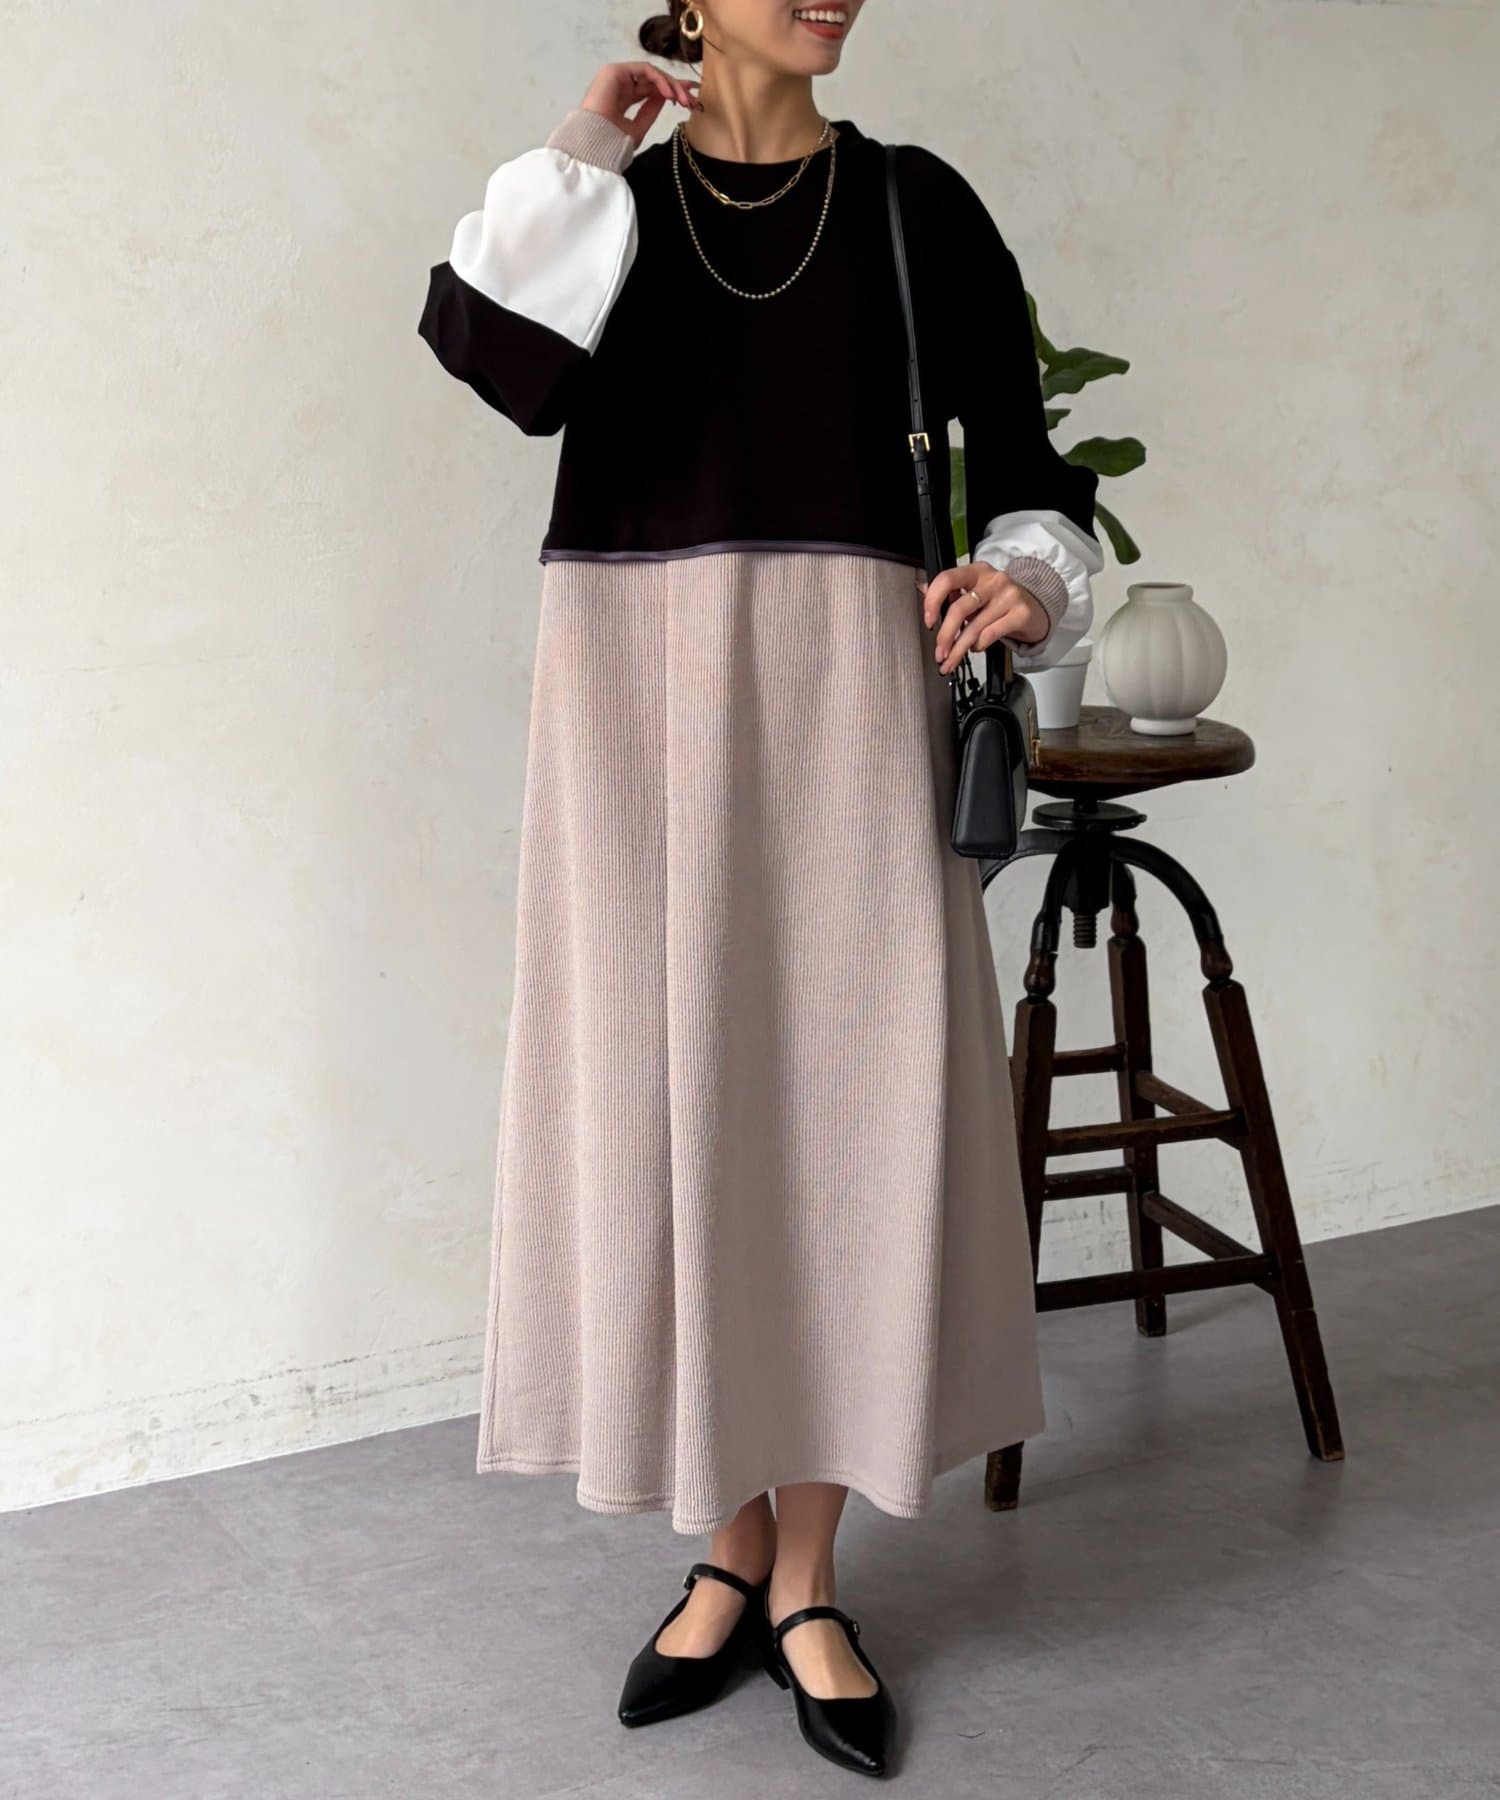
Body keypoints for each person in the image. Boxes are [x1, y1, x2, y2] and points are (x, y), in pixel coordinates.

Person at [418, 0, 1103, 1778]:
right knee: (667, 1102)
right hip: (633, 695)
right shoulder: (610, 211)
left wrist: (1027, 582)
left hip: (849, 691)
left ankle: (805, 1574)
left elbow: (1034, 477)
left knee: (847, 1113)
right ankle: (722, 1550)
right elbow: (495, 362)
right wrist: (586, 143)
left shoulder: (915, 206)